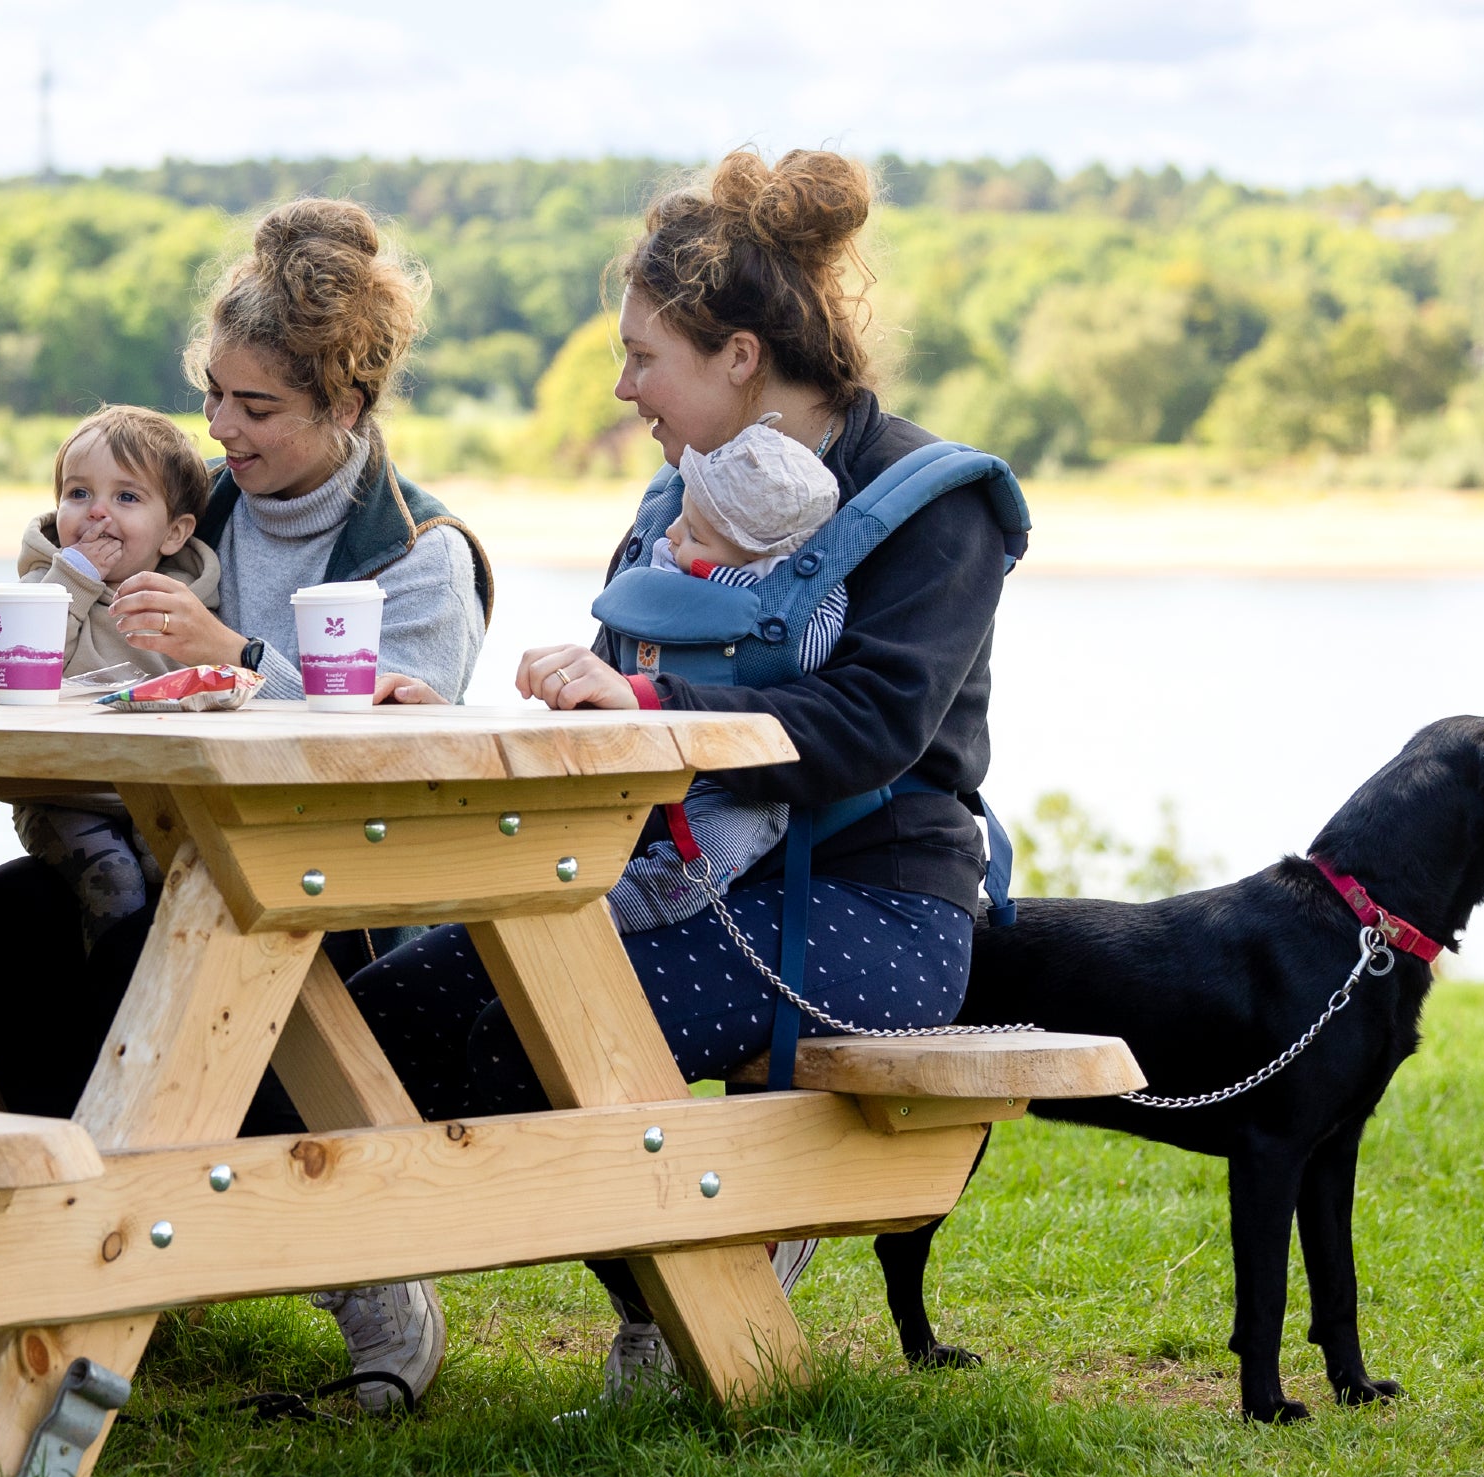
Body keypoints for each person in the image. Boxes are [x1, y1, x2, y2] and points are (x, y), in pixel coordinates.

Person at [358, 147, 1019, 1404]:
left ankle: (704, 1289)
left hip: (875, 904)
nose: (624, 389)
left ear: (740, 357)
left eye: (643, 357)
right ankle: (676, 1280)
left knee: (531, 1031)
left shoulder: (939, 505)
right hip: (675, 878)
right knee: (392, 1017)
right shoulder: (671, 505)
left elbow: (873, 724)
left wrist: (655, 701)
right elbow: (621, 696)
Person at [0, 197, 492, 1413]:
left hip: (330, 899)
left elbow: (405, 761)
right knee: (3, 916)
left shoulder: (421, 555)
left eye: (255, 408)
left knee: (168, 933)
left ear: (346, 410)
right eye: (214, 397)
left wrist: (239, 655)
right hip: (154, 866)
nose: (220, 430)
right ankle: (95, 1231)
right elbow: (62, 584)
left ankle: (341, 1257)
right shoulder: (180, 501)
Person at [0, 405, 218, 946]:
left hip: (155, 789)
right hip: (63, 794)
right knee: (116, 879)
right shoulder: (45, 585)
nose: (97, 514)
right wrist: (75, 578)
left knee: (179, 868)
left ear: (175, 532)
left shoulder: (190, 600)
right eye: (78, 494)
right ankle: (103, 999)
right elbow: (27, 657)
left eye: (126, 497)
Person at [604, 412, 846, 935]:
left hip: (745, 788)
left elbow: (814, 646)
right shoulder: (672, 557)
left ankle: (622, 908)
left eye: (693, 533)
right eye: (680, 520)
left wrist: (726, 581)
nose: (671, 536)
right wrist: (696, 559)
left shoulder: (800, 598)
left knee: (705, 857)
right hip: (653, 761)